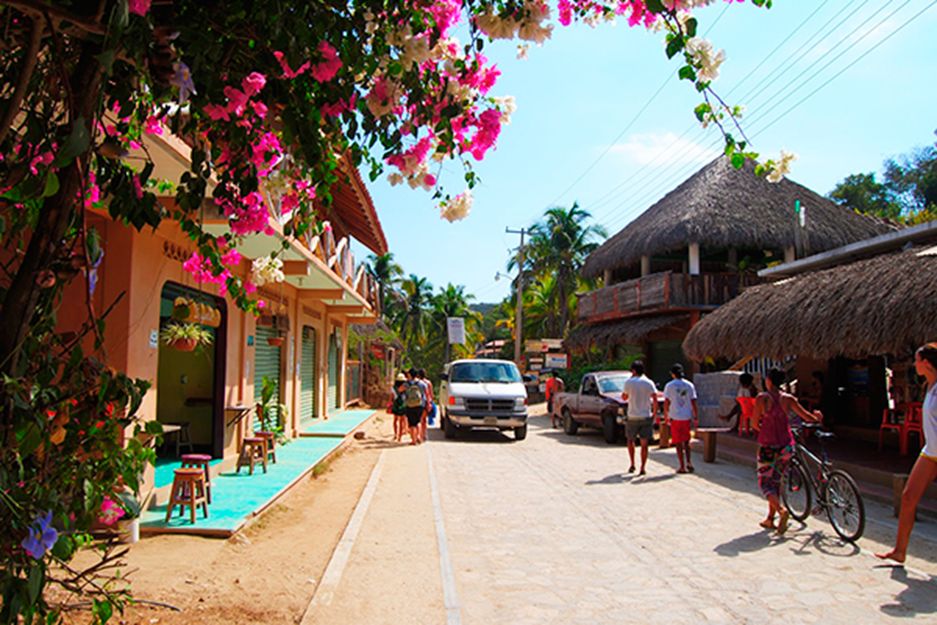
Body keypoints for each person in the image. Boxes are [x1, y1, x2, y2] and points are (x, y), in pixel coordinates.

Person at [877, 343, 937, 564]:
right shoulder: (929, 386)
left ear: (927, 363)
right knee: (909, 497)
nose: (914, 364)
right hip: (930, 452)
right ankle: (900, 550)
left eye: (917, 360)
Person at [752, 368, 822, 534]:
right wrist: (817, 417)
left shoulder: (762, 399)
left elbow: (754, 423)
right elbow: (806, 417)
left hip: (768, 445)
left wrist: (763, 427)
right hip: (786, 445)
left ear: (768, 380)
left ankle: (781, 511)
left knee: (765, 482)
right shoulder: (788, 399)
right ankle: (770, 518)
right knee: (776, 480)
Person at [620, 360, 658, 476]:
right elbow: (655, 398)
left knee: (630, 440)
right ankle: (643, 467)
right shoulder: (649, 382)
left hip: (632, 416)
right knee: (644, 444)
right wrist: (654, 413)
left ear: (634, 371)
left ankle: (632, 464)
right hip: (646, 415)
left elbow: (624, 398)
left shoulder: (629, 382)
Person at [663, 363, 698, 474]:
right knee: (686, 441)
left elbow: (667, 402)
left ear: (673, 374)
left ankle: (681, 465)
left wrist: (666, 415)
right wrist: (695, 416)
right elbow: (693, 401)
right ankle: (689, 462)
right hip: (686, 416)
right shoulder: (689, 385)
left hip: (675, 416)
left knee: (678, 442)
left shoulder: (669, 386)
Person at [403, 368, 426, 445]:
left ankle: (413, 440)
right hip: (420, 404)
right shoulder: (421, 383)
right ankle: (418, 437)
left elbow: (400, 390)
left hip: (410, 405)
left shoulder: (407, 384)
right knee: (418, 421)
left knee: (412, 423)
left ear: (410, 375)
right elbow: (424, 393)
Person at [418, 368, 435, 436]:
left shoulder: (417, 383)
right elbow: (431, 394)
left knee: (419, 419)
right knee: (424, 420)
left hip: (419, 402)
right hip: (426, 402)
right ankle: (424, 434)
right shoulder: (428, 383)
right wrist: (430, 403)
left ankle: (419, 435)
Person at [391, 373, 408, 442]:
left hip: (395, 404)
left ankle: (395, 434)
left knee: (395, 420)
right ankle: (400, 437)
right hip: (403, 405)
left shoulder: (393, 388)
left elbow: (392, 397)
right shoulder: (405, 387)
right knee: (401, 421)